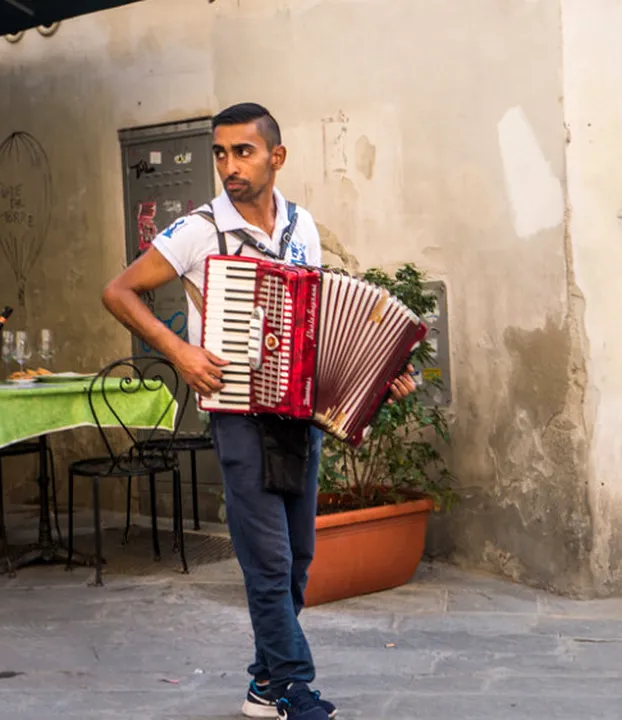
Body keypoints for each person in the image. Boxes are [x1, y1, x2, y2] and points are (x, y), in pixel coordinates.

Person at [102, 102, 417, 720]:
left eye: (242, 152)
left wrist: (382, 376)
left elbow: (321, 324)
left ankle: (263, 685)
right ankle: (295, 687)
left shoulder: (302, 227)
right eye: (220, 153)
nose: (229, 166)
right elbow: (119, 291)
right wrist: (181, 353)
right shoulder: (198, 229)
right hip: (237, 414)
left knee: (298, 557)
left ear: (277, 156)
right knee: (267, 558)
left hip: (297, 416)